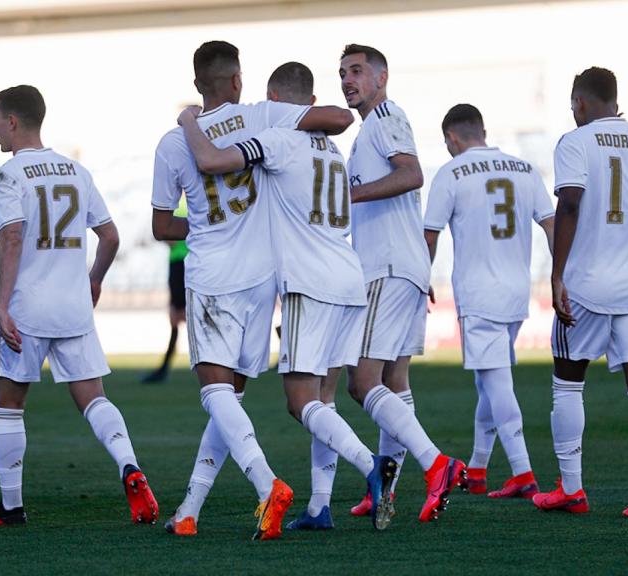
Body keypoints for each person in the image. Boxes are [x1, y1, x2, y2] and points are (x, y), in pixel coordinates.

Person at [179, 61, 399, 532]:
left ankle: (370, 465)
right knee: (323, 398)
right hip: (348, 276)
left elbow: (211, 163)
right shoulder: (331, 151)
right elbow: (337, 118)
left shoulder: (275, 139)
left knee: (299, 403)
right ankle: (320, 507)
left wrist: (187, 121)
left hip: (304, 281)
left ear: (275, 101)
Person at [151, 40, 353, 540]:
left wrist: (198, 225)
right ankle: (189, 509)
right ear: (238, 82)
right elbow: (335, 116)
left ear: (198, 84)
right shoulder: (264, 116)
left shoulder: (174, 141)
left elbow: (160, 225)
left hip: (214, 276)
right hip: (264, 280)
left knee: (215, 393)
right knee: (229, 400)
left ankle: (267, 485)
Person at [0, 85, 157, 527]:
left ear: (13, 121)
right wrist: (93, 280)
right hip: (73, 305)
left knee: (8, 403)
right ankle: (129, 464)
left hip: (27, 308)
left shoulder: (6, 175)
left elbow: (11, 236)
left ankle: (11, 506)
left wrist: (1, 305)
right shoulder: (76, 170)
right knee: (93, 399)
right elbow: (110, 236)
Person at [533, 67, 628, 519]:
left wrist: (557, 276)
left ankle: (572, 489)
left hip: (588, 284)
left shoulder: (575, 142)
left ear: (579, 102)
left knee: (568, 382)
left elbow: (570, 203)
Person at [339, 44, 467, 523]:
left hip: (386, 269)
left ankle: (436, 463)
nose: (348, 80)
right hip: (404, 266)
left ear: (381, 76)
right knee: (394, 383)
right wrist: (420, 266)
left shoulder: (386, 116)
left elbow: (410, 174)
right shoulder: (368, 128)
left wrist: (348, 195)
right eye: (342, 74)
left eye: (356, 71)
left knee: (361, 383)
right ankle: (385, 490)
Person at [423, 103, 555, 499]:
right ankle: (478, 467)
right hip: (517, 289)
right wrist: (560, 272)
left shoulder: (451, 173)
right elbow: (550, 223)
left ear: (452, 138)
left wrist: (420, 277)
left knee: (497, 382)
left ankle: (522, 471)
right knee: (488, 379)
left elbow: (430, 234)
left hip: (478, 292)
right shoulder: (524, 169)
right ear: (482, 130)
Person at [141, 199, 188, 384]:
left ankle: (163, 369)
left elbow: (168, 235)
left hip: (181, 264)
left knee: (178, 318)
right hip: (182, 263)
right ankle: (163, 369)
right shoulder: (189, 201)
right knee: (179, 319)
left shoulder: (182, 204)